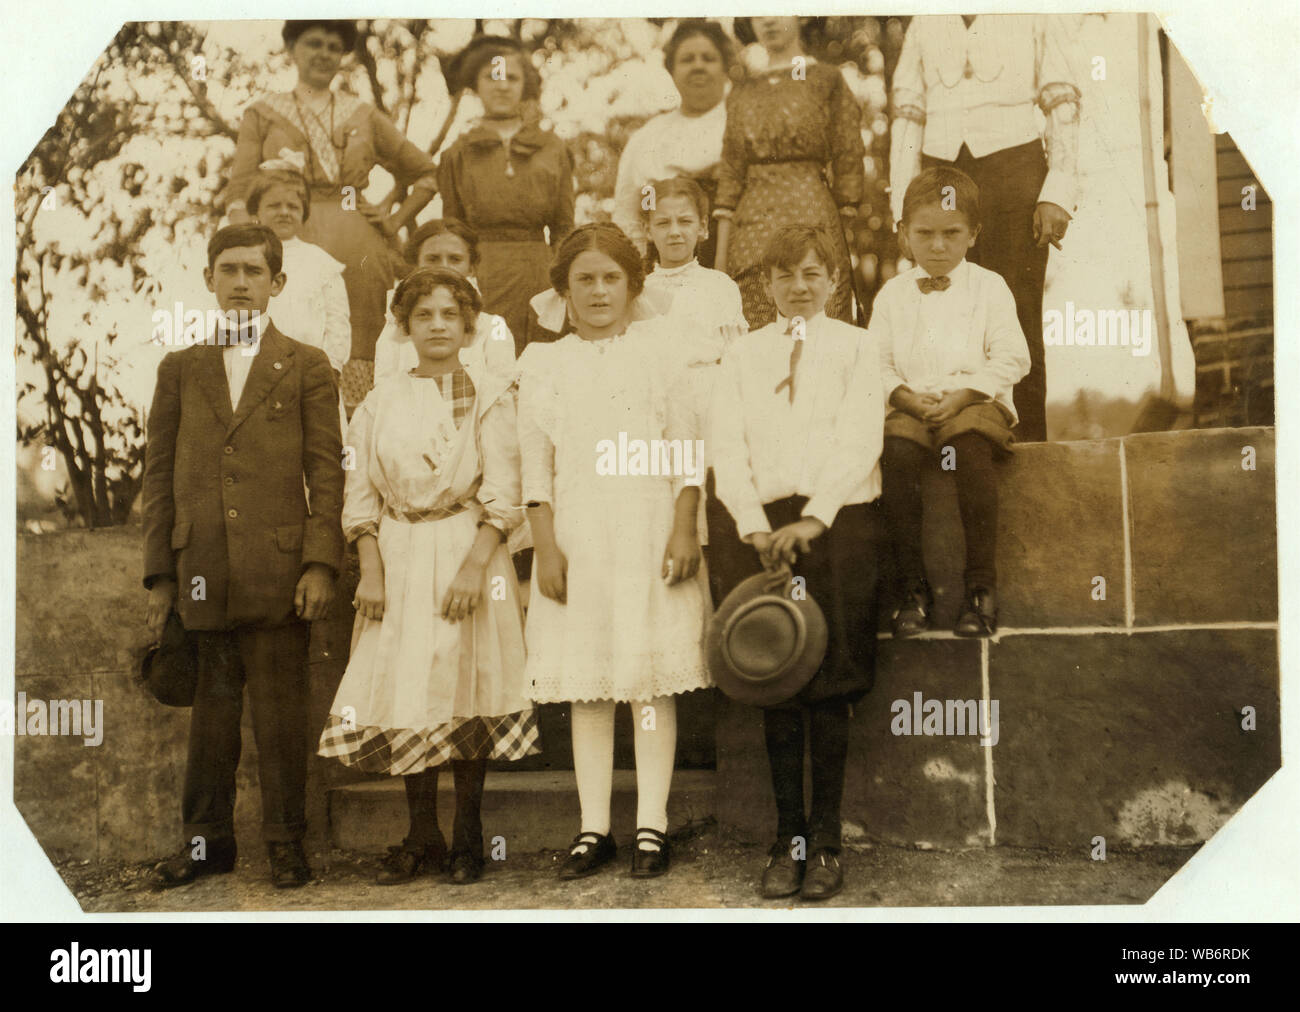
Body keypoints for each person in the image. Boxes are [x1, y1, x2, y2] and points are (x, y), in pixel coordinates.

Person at [318, 267, 538, 886]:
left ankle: (469, 832)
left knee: (470, 682)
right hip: (398, 553)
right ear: (405, 327)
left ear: (469, 326)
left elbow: (504, 488)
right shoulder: (380, 399)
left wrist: (475, 566)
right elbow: (359, 492)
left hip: (470, 549)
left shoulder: (490, 392)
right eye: (423, 316)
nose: (437, 325)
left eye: (449, 315)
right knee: (409, 685)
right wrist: (372, 569)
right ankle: (422, 833)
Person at [142, 224, 344, 890]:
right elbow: (159, 473)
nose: (239, 283)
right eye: (227, 270)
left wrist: (318, 563)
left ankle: (287, 841)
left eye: (254, 271)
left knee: (282, 716)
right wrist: (163, 577)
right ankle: (206, 845)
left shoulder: (308, 364)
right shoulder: (179, 369)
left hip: (279, 571)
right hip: (201, 570)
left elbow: (327, 471)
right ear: (208, 280)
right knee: (212, 718)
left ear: (276, 283)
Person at [517, 223, 711, 881]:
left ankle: (652, 824)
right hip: (577, 536)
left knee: (649, 680)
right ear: (564, 292)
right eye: (585, 280)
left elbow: (688, 454)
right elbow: (534, 469)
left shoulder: (662, 355)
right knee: (587, 684)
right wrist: (545, 547)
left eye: (611, 278)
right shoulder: (543, 364)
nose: (599, 291)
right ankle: (592, 826)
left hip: (649, 528)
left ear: (632, 286)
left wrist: (685, 528)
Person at [709, 225, 886, 901]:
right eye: (785, 276)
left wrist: (817, 515)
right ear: (766, 286)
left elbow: (861, 433)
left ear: (834, 281)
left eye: (813, 274)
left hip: (837, 526)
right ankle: (789, 840)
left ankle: (829, 839)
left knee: (829, 680)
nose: (799, 287)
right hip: (762, 529)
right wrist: (756, 526)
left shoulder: (858, 346)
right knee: (774, 673)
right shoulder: (743, 355)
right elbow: (727, 441)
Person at [225, 19, 438, 412]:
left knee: (359, 339)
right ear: (292, 49)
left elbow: (425, 173)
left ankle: (360, 436)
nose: (323, 53)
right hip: (286, 239)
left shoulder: (362, 113)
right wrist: (245, 248)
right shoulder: (263, 112)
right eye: (313, 43)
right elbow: (239, 190)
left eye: (333, 46)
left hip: (356, 242)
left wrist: (391, 219)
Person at [889, 13, 1081, 443]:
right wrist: (902, 210)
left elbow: (1062, 104)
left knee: (1016, 311)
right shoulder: (926, 21)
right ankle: (956, 439)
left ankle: (1027, 445)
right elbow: (907, 118)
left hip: (1014, 171)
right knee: (944, 308)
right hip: (942, 174)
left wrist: (1057, 191)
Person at [872, 167, 1031, 638]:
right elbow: (874, 363)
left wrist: (967, 393)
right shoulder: (892, 296)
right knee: (895, 453)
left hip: (974, 399)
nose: (937, 246)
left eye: (951, 233)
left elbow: (1013, 357)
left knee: (968, 446)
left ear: (973, 234)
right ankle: (912, 589)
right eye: (924, 234)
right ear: (903, 234)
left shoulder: (990, 287)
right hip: (912, 402)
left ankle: (980, 588)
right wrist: (905, 396)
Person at [713, 16, 865, 329]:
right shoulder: (742, 91)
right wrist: (720, 263)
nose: (768, 19)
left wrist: (843, 227)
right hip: (749, 235)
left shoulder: (826, 79)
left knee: (821, 321)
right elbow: (730, 172)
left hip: (814, 216)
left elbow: (848, 156)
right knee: (753, 332)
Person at [437, 35, 575, 355]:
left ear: (525, 85)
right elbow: (452, 231)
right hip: (483, 275)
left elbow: (563, 227)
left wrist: (563, 281)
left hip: (541, 273)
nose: (502, 86)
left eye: (511, 77)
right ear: (476, 84)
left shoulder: (553, 149)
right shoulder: (457, 153)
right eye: (492, 76)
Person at [640, 176, 746, 588]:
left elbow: (736, 356)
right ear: (649, 231)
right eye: (663, 223)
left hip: (709, 401)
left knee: (712, 500)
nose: (675, 231)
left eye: (685, 221)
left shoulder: (719, 286)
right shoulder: (639, 288)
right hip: (657, 405)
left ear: (703, 227)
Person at [613, 19, 732, 268]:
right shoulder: (648, 137)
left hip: (735, 261)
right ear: (671, 70)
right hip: (663, 269)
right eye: (687, 59)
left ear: (725, 67)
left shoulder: (742, 124)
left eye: (708, 58)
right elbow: (629, 217)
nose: (698, 66)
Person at [373, 219, 516, 384]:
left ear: (471, 268)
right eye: (432, 259)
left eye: (455, 259)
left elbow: (503, 391)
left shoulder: (494, 327)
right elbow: (383, 392)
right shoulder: (397, 326)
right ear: (416, 266)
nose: (444, 268)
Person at [247, 161, 350, 378]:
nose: (284, 212)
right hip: (252, 368)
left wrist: (331, 368)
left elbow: (337, 323)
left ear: (304, 213)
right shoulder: (244, 256)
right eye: (274, 205)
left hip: (309, 373)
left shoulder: (321, 263)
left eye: (293, 207)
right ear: (256, 210)